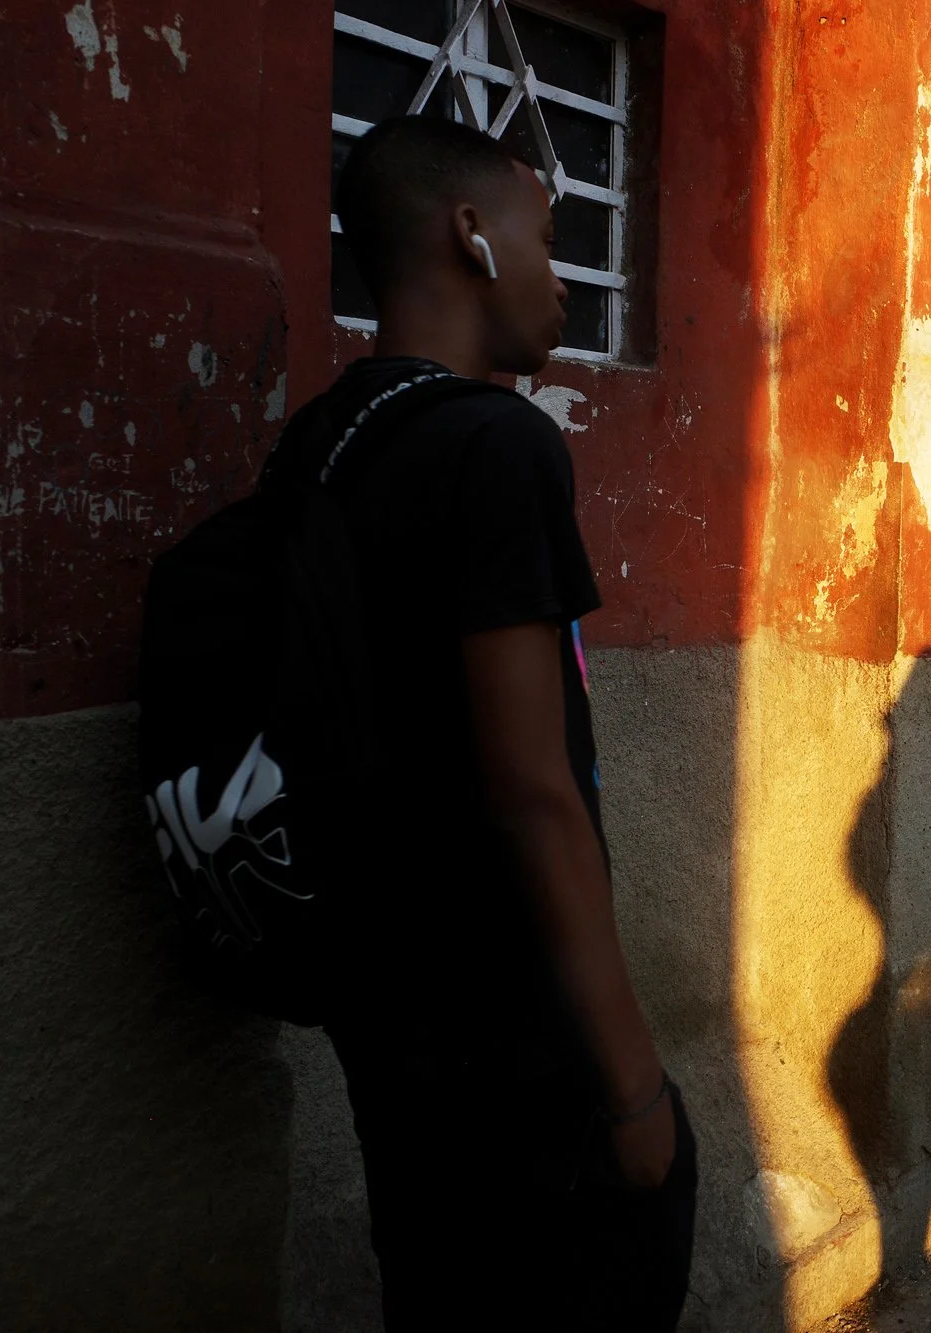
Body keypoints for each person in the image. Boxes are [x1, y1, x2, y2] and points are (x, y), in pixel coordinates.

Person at [281, 116, 695, 1329]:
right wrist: (629, 1087)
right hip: (506, 1022)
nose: (561, 277)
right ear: (471, 236)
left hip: (384, 1003)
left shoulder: (325, 439)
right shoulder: (496, 441)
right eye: (550, 239)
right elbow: (531, 787)